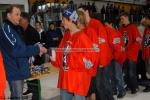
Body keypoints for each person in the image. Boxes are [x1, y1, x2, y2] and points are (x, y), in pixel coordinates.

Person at [0, 5, 47, 99]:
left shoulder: (15, 28)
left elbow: (22, 47)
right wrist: (37, 49)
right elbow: (16, 50)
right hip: (14, 70)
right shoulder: (6, 28)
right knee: (17, 97)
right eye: (16, 14)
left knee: (18, 96)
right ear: (9, 15)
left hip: (19, 68)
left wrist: (35, 48)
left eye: (20, 14)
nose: (19, 17)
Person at [50, 8, 98, 100]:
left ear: (71, 20)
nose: (62, 22)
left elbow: (90, 61)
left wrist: (71, 55)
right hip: (65, 77)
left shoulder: (82, 37)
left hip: (78, 79)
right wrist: (50, 53)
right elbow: (59, 53)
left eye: (64, 20)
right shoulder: (66, 35)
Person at [78, 5, 114, 100]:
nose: (79, 15)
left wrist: (101, 61)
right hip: (91, 63)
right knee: (94, 87)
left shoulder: (96, 24)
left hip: (100, 62)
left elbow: (102, 43)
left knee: (100, 85)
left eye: (80, 12)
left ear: (86, 12)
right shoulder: (84, 26)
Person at [19, 12, 43, 100]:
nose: (19, 20)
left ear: (26, 20)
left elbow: (38, 48)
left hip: (35, 59)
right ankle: (30, 89)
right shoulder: (20, 30)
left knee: (34, 80)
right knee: (28, 78)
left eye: (20, 19)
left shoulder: (33, 32)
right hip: (24, 59)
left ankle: (36, 96)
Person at [119, 12, 142, 94]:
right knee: (125, 72)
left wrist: (132, 51)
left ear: (127, 17)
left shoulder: (133, 27)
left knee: (131, 72)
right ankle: (128, 85)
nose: (121, 20)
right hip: (124, 55)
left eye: (122, 18)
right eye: (120, 19)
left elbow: (138, 40)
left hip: (131, 55)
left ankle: (134, 87)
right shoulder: (121, 28)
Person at [105, 20, 126, 98]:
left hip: (118, 57)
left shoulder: (116, 33)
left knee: (118, 74)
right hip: (111, 57)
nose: (105, 27)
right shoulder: (107, 32)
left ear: (111, 24)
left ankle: (121, 90)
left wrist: (116, 58)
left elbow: (118, 48)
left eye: (107, 25)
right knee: (111, 74)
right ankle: (114, 89)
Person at [141, 16, 150, 92]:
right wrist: (143, 53)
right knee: (148, 70)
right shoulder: (146, 29)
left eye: (146, 20)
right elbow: (144, 41)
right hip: (146, 53)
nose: (145, 22)